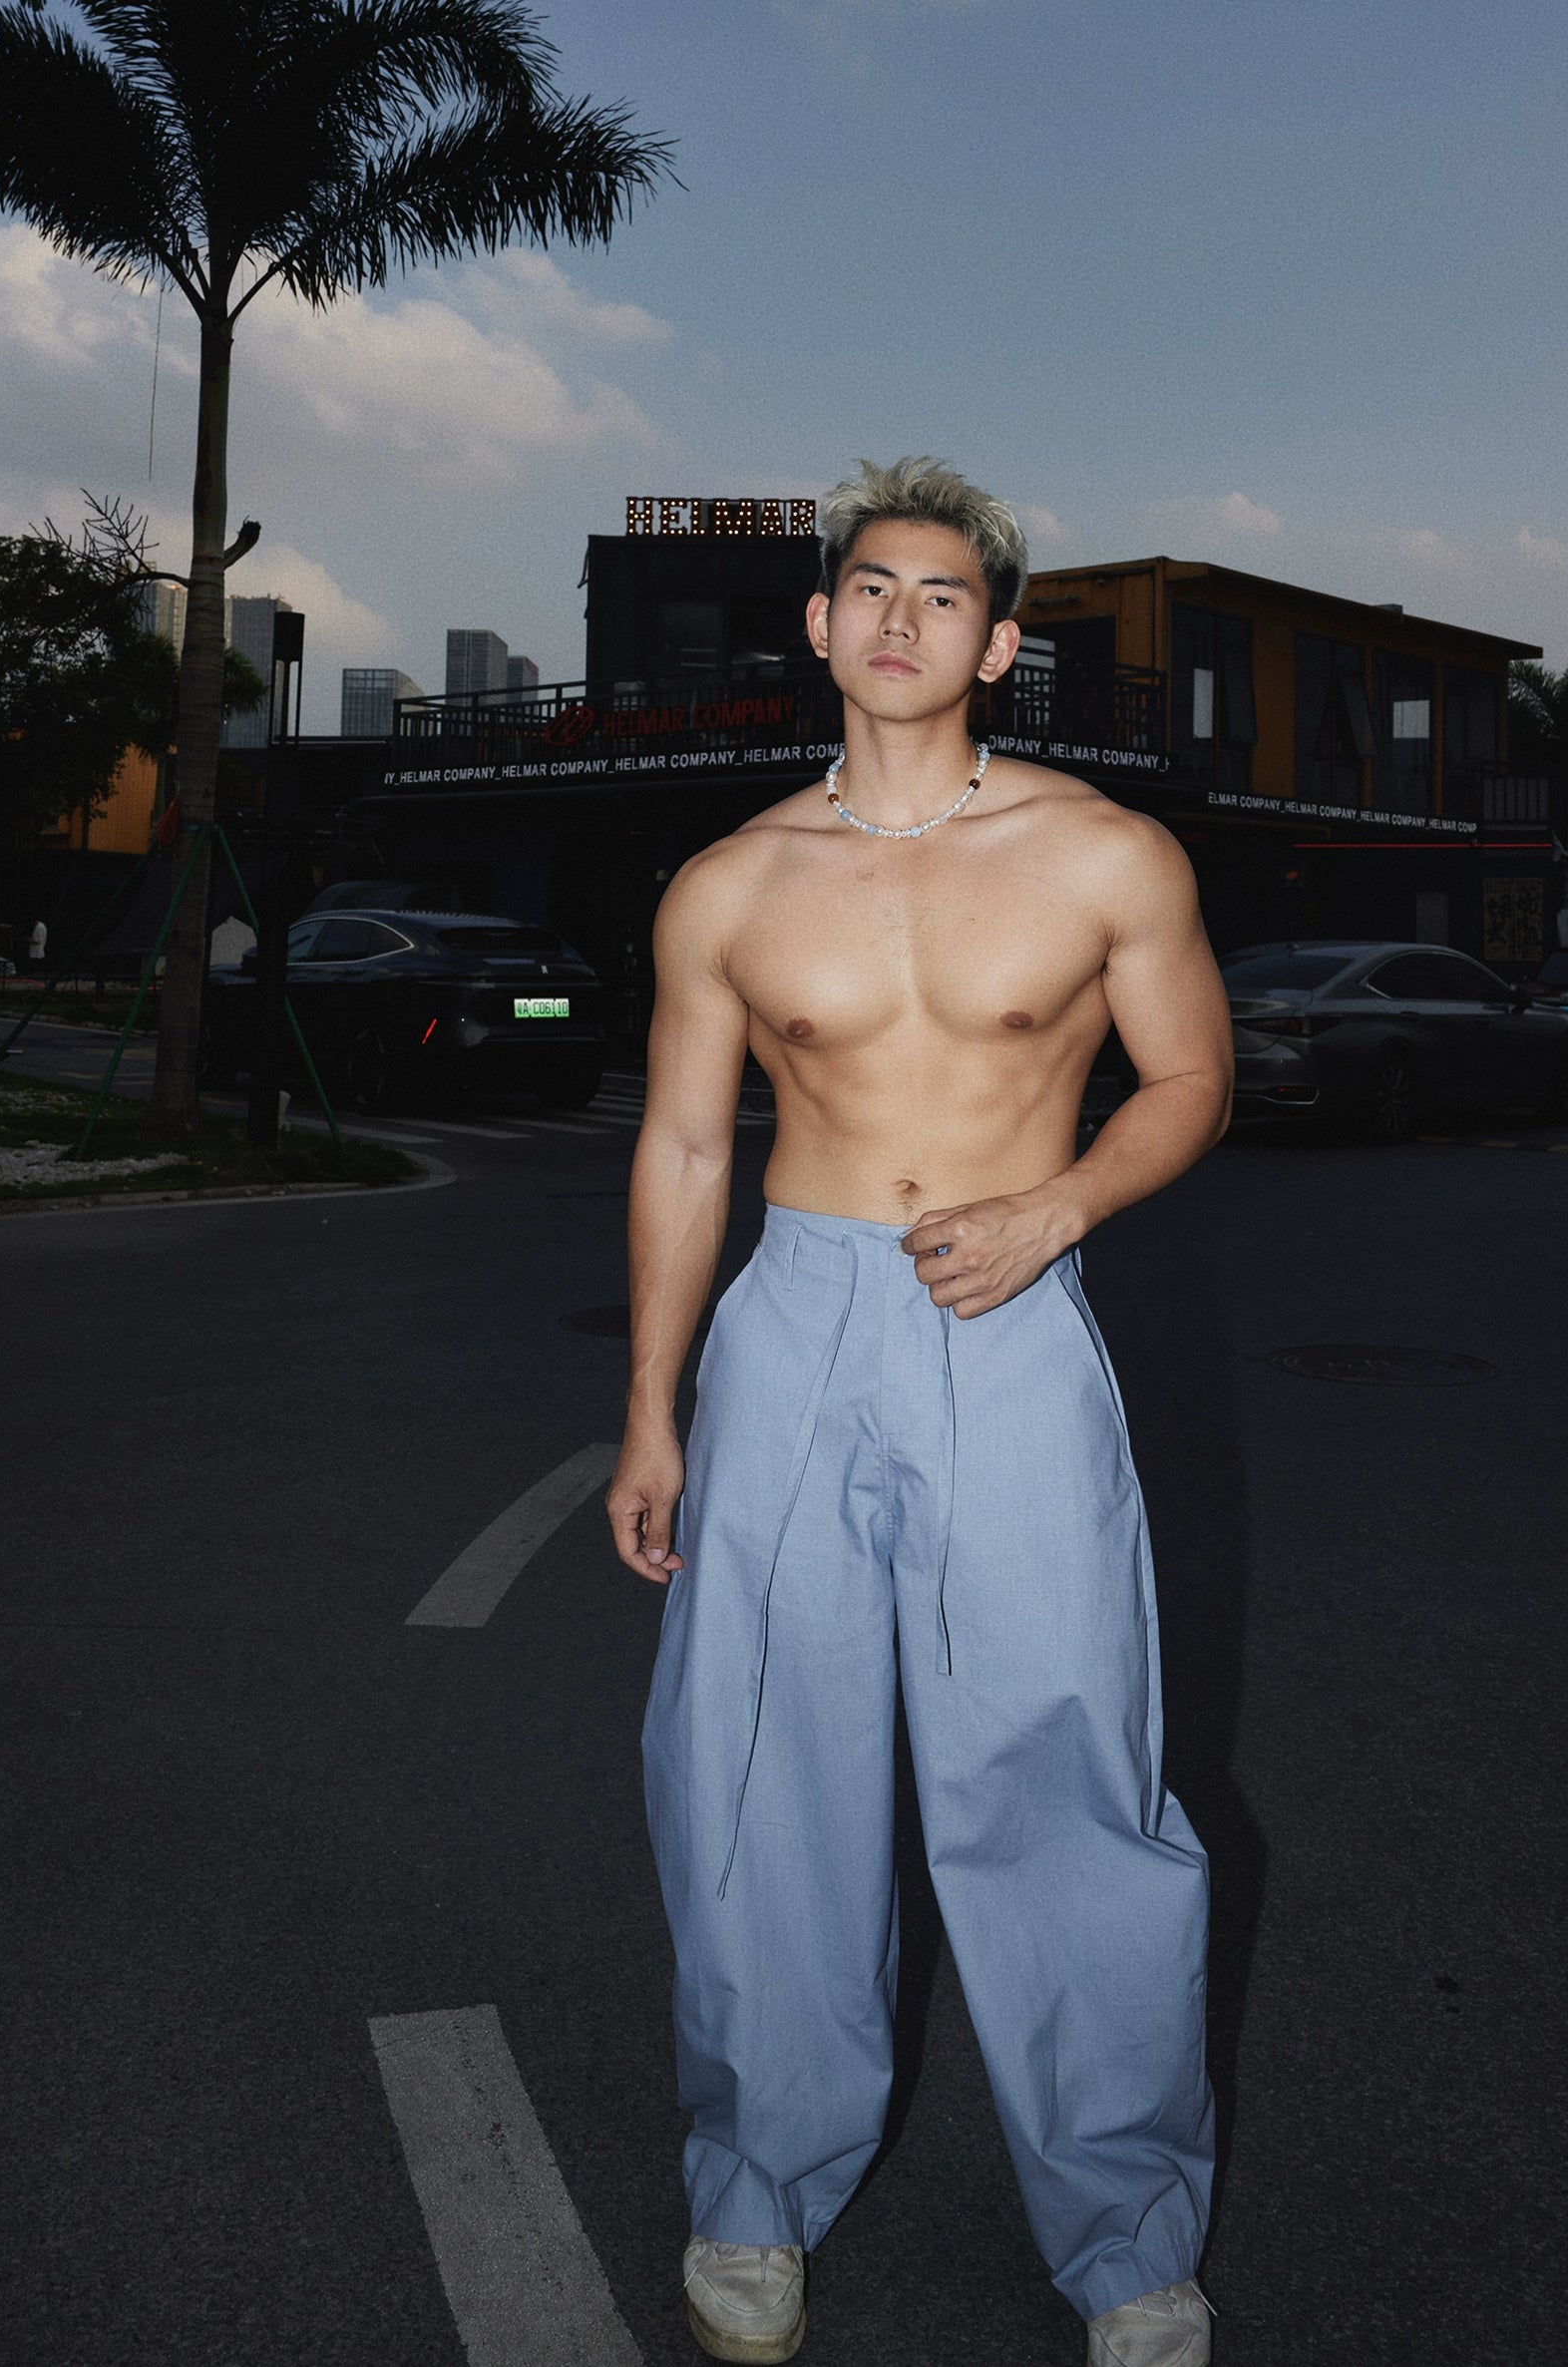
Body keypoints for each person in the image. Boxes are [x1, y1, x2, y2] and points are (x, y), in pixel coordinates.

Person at [607, 457, 1233, 2367]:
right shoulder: (729, 885)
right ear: (819, 624)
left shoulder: (1104, 854)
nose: (899, 617)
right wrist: (651, 1408)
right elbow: (688, 1147)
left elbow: (1190, 1077)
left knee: (1065, 1767)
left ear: (998, 642)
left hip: (1015, 1317)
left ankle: (1127, 2236)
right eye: (870, 586)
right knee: (754, 1769)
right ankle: (755, 2187)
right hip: (793, 1325)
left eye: (942, 594)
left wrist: (1062, 1206)